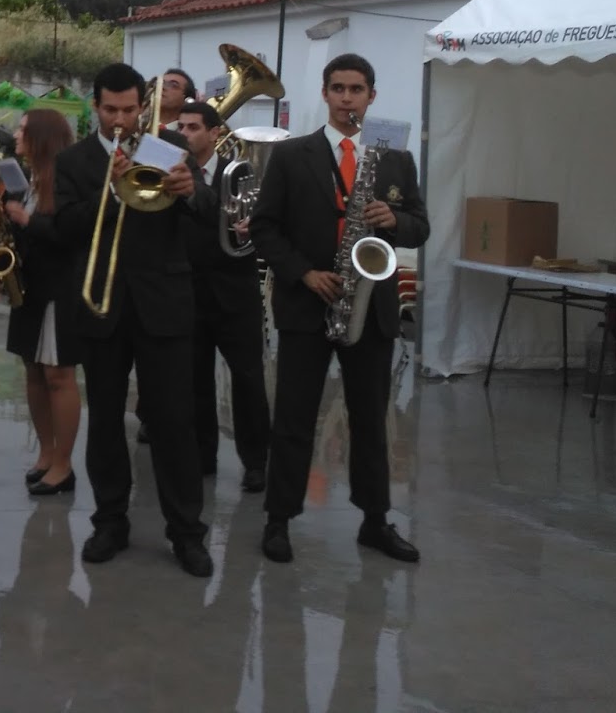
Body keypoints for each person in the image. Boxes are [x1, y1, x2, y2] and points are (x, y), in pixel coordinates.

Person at [249, 52, 429, 566]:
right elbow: (264, 227)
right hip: (308, 302)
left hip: (369, 307)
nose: (347, 98)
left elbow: (420, 226)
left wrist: (394, 219)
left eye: (356, 89)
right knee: (294, 417)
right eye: (338, 88)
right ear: (325, 94)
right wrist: (304, 273)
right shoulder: (292, 155)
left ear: (372, 96)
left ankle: (375, 520)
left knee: (371, 419)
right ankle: (279, 518)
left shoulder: (396, 160)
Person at [54, 62, 218, 578]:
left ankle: (187, 532)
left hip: (164, 301)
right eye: (110, 110)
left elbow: (209, 210)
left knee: (173, 421)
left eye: (129, 109)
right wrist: (109, 189)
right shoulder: (75, 160)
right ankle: (109, 522)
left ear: (141, 107)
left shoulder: (170, 145)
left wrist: (190, 191)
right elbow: (64, 227)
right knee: (105, 420)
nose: (121, 119)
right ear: (95, 106)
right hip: (102, 305)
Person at [174, 100, 271, 492]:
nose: (184, 134)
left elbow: (252, 220)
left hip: (235, 291)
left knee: (248, 378)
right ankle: (202, 456)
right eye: (180, 127)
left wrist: (254, 222)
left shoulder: (240, 171)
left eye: (193, 127)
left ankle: (256, 462)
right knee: (194, 378)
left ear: (215, 133)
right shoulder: (169, 171)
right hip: (189, 288)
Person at [2, 108, 79, 495]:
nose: (16, 135)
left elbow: (71, 233)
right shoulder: (27, 179)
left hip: (58, 290)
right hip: (30, 287)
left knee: (58, 376)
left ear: (41, 138)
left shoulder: (64, 180)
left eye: (23, 129)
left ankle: (63, 464)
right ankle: (46, 454)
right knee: (33, 372)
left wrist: (27, 221)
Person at [158, 68, 197, 133]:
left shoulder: (188, 135)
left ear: (187, 99)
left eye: (173, 85)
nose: (162, 87)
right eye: (160, 83)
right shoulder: (141, 128)